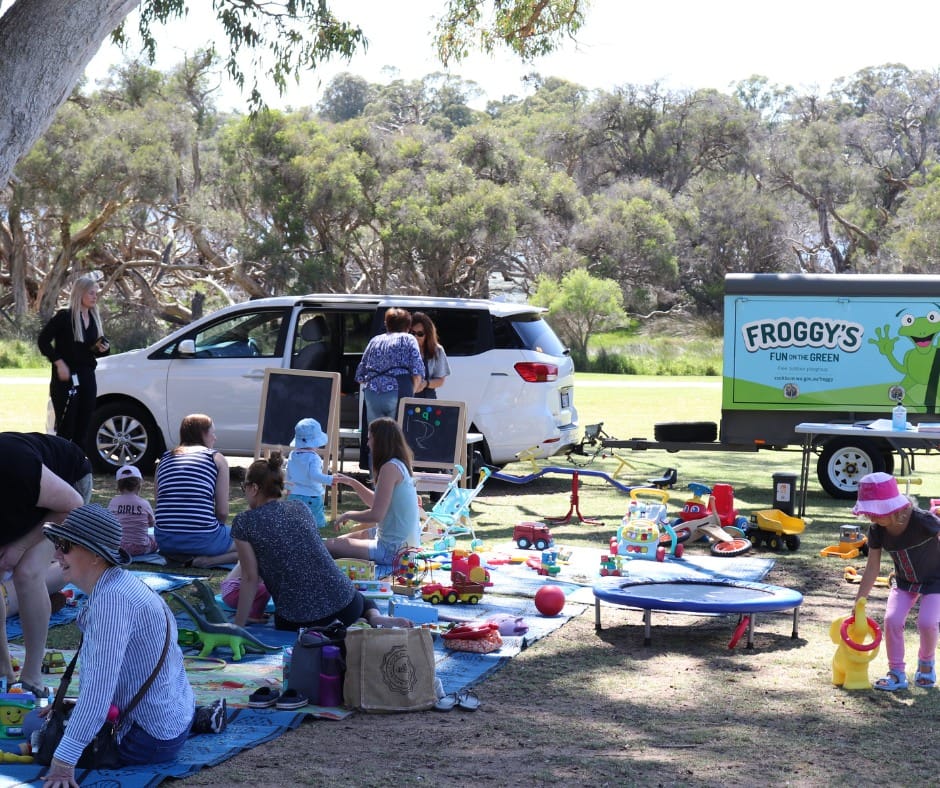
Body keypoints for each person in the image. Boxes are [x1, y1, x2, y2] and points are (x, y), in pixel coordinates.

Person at [39, 505, 226, 786]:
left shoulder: (111, 602)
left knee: (39, 736)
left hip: (148, 738)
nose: (56, 554)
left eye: (64, 546)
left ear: (94, 555)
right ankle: (197, 721)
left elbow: (98, 693)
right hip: (176, 712)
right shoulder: (123, 585)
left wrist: (64, 762)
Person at [231, 453, 412, 631]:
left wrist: (239, 623)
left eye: (244, 486)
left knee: (292, 613)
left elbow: (250, 577)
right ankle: (375, 617)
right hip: (347, 607)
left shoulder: (244, 522)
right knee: (361, 599)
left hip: (297, 619)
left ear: (253, 488)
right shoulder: (300, 507)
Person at [0, 432, 92, 698]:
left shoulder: (14, 464)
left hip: (67, 488)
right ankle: (4, 673)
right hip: (22, 501)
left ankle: (32, 678)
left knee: (27, 572)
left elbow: (72, 504)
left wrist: (18, 546)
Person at [852, 472, 940, 691]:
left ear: (894, 508)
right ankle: (896, 672)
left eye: (876, 513)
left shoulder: (923, 521)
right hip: (904, 582)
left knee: (927, 623)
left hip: (935, 581)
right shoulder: (877, 530)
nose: (872, 518)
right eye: (869, 513)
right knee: (891, 620)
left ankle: (926, 665)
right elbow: (873, 567)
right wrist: (859, 600)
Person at [326, 418, 422, 565]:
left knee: (328, 546)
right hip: (402, 546)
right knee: (337, 542)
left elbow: (376, 515)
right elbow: (377, 502)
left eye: (370, 438)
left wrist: (348, 514)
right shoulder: (398, 465)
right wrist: (352, 482)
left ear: (380, 441)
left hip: (394, 551)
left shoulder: (389, 468)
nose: (368, 443)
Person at [154, 414, 236, 567]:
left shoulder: (164, 459)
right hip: (204, 539)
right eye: (213, 432)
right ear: (203, 433)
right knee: (253, 543)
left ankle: (181, 555)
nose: (215, 438)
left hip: (165, 540)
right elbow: (223, 511)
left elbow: (159, 501)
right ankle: (210, 561)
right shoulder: (216, 459)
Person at [37, 274, 110, 445]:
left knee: (84, 424)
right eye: (91, 293)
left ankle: (78, 465)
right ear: (80, 294)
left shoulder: (93, 318)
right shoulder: (64, 316)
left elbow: (92, 351)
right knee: (66, 426)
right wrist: (59, 362)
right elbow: (43, 341)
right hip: (66, 378)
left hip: (87, 377)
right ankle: (61, 465)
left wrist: (103, 349)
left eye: (96, 293)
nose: (95, 296)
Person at [355, 307, 423, 469]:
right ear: (408, 326)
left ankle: (376, 481)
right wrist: (411, 391)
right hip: (398, 388)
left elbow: (360, 375)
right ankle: (396, 481)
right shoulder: (408, 339)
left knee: (375, 438)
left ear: (387, 324)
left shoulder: (375, 340)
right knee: (398, 439)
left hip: (372, 392)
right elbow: (417, 370)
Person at [285, 418, 334, 530]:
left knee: (295, 526)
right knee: (315, 526)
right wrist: (330, 479)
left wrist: (288, 488)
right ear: (316, 442)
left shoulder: (292, 454)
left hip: (294, 495)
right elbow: (314, 475)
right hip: (312, 496)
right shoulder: (314, 457)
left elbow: (288, 473)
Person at [107, 464, 157, 556]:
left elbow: (109, 523)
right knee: (155, 537)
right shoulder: (144, 504)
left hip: (119, 547)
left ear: (119, 485)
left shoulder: (113, 502)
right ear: (139, 484)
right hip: (141, 548)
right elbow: (152, 524)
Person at [410, 311, 451, 399]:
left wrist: (425, 384)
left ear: (428, 335)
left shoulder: (437, 350)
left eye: (420, 334)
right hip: (405, 399)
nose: (415, 337)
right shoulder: (402, 349)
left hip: (427, 400)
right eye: (412, 333)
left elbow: (440, 380)